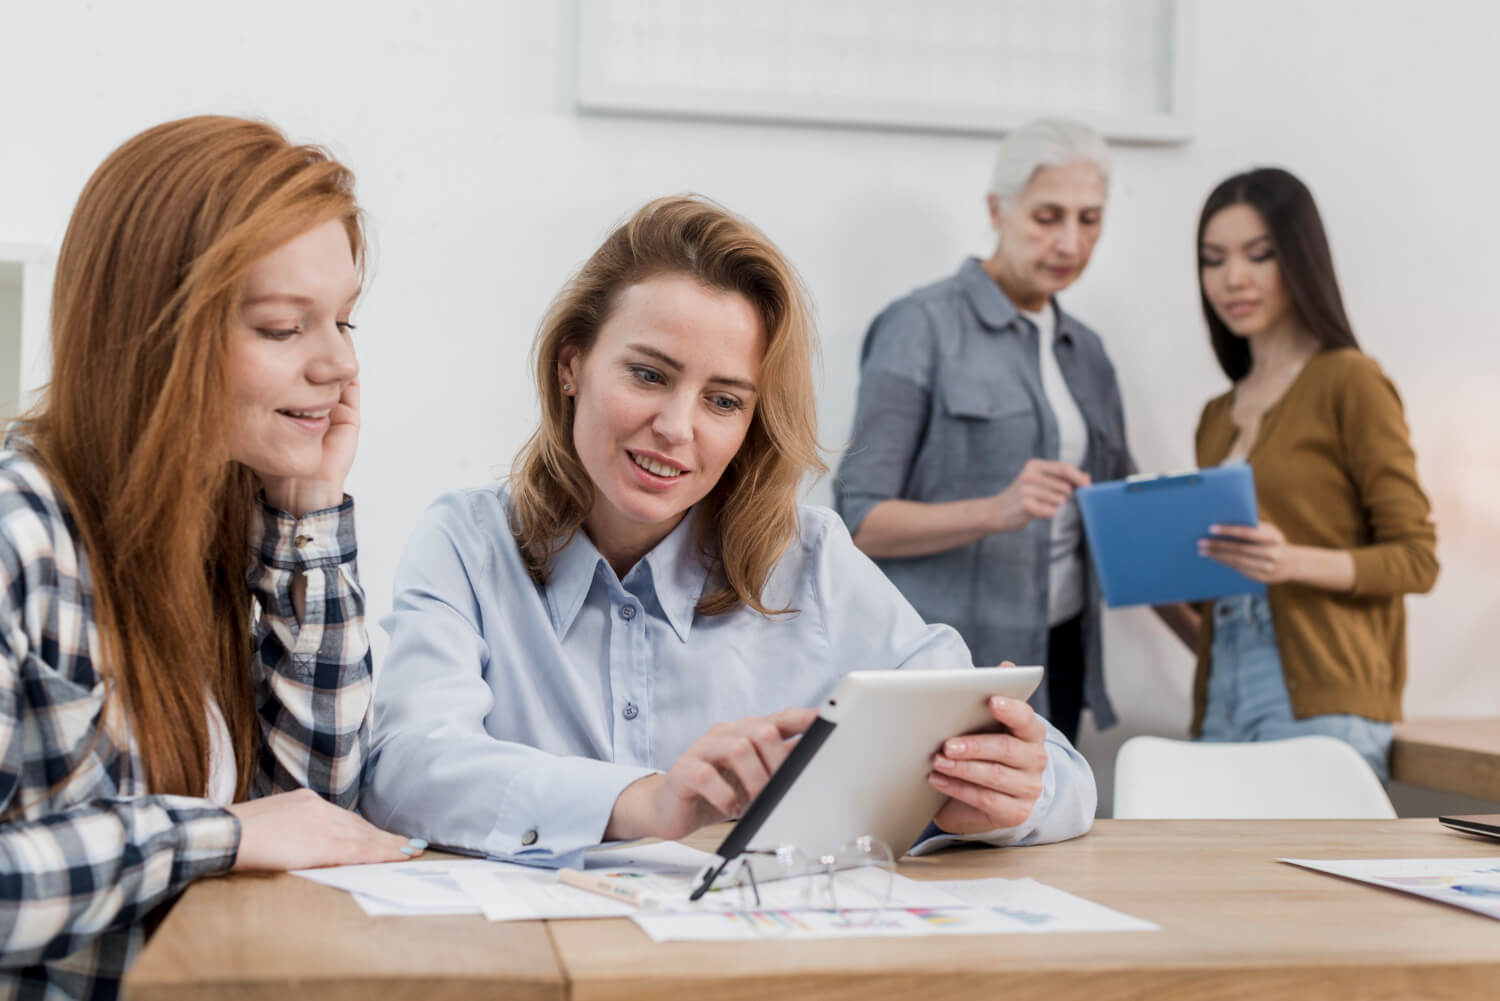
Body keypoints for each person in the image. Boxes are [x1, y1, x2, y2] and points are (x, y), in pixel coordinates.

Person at [362, 196, 1095, 866]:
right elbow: (405, 767)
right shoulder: (467, 542)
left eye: (722, 400)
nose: (677, 428)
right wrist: (648, 799)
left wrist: (1011, 794)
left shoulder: (809, 560)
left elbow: (1061, 774)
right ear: (571, 364)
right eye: (649, 375)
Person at [0, 116, 422, 999]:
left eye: (344, 321)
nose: (341, 364)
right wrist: (213, 834)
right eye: (282, 328)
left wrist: (307, 515)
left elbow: (311, 806)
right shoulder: (21, 530)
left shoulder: (221, 509)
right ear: (154, 333)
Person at [834, 118, 1196, 744]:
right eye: (1047, 216)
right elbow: (859, 523)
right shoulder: (921, 327)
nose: (1069, 243)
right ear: (998, 209)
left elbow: (1121, 523)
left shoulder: (1087, 353)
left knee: (1045, 838)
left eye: (1090, 219)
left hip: (1060, 657)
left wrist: (1213, 647)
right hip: (946, 666)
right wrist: (994, 510)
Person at [1191, 167, 1438, 779]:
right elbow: (1214, 583)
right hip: (1220, 685)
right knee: (1213, 876)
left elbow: (1416, 558)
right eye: (1214, 260)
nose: (1233, 279)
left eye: (1259, 255)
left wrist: (1290, 562)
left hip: (1321, 694)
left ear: (1299, 259)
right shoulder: (1216, 416)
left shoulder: (1350, 381)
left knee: (1303, 876)